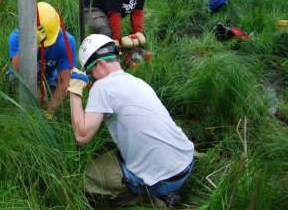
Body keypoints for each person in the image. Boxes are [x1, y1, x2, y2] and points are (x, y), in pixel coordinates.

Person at [68, 34, 194, 205]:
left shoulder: (101, 87)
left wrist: (74, 90)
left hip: (163, 180)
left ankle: (151, 199)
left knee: (84, 178)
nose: (92, 78)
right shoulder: (137, 81)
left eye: (90, 73)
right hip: (185, 163)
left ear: (100, 64)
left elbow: (82, 136)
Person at [8, 2, 77, 112]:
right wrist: (33, 44)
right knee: (14, 83)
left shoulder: (66, 41)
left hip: (50, 81)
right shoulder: (16, 37)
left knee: (68, 92)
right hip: (23, 80)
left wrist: (49, 113)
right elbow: (18, 70)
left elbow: (65, 82)